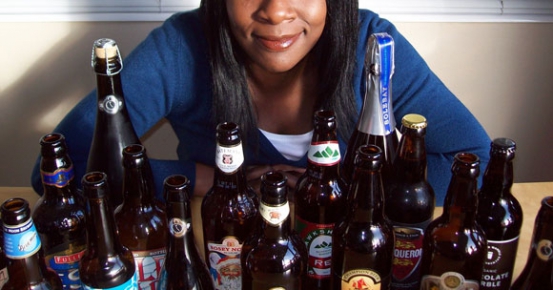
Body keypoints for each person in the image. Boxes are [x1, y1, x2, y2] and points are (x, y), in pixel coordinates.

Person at [30, 0, 490, 206]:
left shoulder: (373, 45)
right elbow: (57, 170)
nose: (275, 11)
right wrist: (208, 180)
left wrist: (349, 188)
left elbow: (476, 158)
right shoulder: (181, 47)